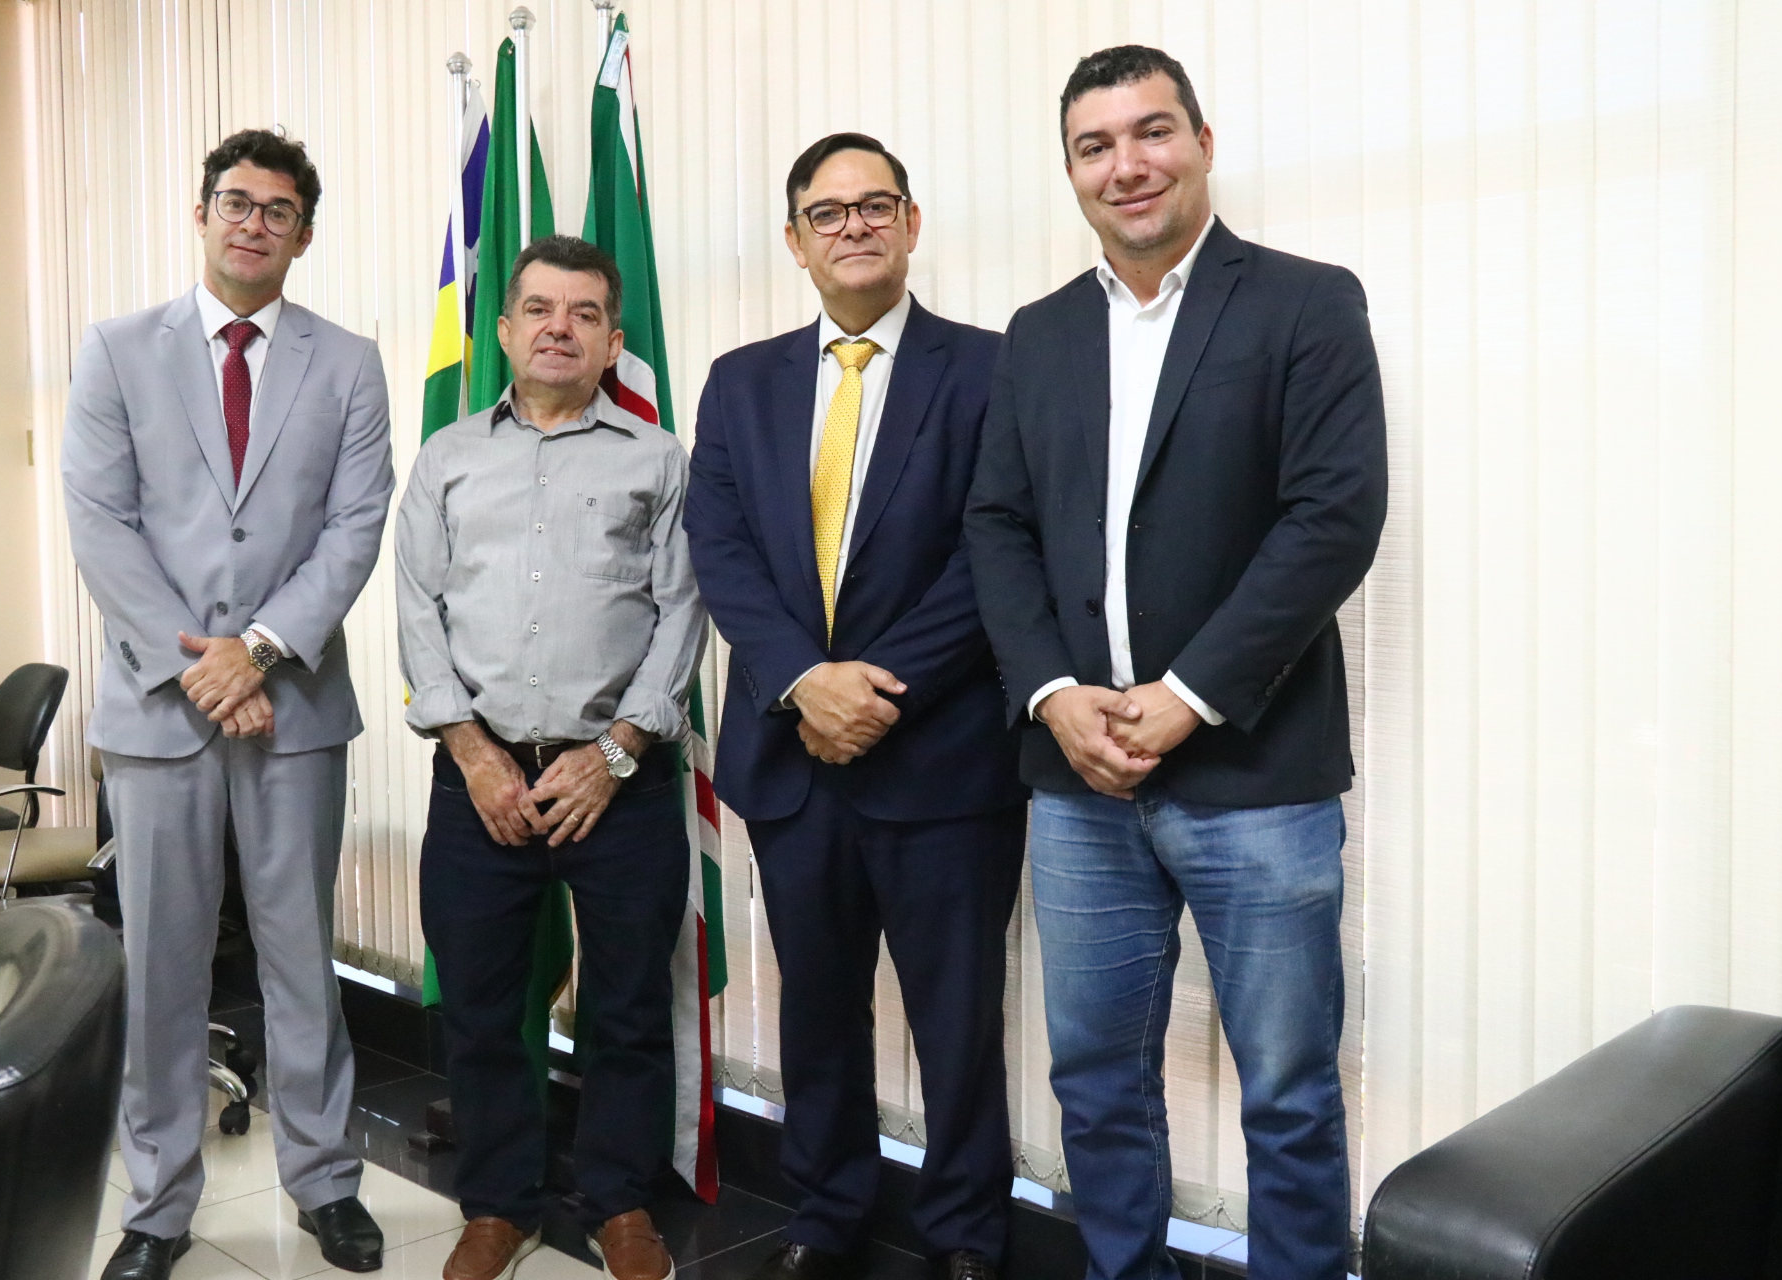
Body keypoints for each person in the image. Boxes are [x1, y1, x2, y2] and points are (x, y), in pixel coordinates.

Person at [964, 46, 1388, 1280]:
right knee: (1095, 1079)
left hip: (1257, 774)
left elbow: (1333, 517)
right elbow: (996, 524)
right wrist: (1054, 694)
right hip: (1078, 780)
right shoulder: (1039, 333)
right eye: (1094, 146)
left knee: (1288, 1090)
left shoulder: (1306, 303)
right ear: (1071, 171)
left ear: (1203, 143)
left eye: (1152, 132)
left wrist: (1187, 696)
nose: (1127, 165)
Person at [686, 134, 1028, 1280]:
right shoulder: (741, 382)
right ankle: (827, 1214)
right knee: (818, 1013)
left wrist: (876, 687)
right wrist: (804, 680)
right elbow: (721, 548)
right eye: (826, 214)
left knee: (957, 1021)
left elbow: (994, 551)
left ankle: (967, 1233)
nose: (854, 227)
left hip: (942, 756)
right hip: (794, 758)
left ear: (912, 222)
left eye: (875, 205)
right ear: (795, 242)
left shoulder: (990, 368)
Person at [63, 130, 394, 1280]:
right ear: (200, 213)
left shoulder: (348, 362)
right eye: (237, 202)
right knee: (164, 964)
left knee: (303, 955)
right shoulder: (117, 350)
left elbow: (355, 525)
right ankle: (158, 1202)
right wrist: (198, 668)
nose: (256, 223)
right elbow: (101, 523)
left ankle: (326, 1179)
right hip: (159, 711)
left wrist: (254, 652)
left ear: (305, 234)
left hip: (293, 706)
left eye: (279, 210)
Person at [395, 235, 706, 1280]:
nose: (558, 328)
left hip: (621, 783)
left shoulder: (656, 459)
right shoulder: (446, 458)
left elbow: (682, 612)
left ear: (614, 340)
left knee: (627, 1007)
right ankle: (498, 1203)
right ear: (504, 329)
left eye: (583, 313)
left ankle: (620, 1200)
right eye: (538, 308)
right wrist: (473, 751)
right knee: (485, 1006)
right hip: (477, 779)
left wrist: (616, 749)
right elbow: (418, 610)